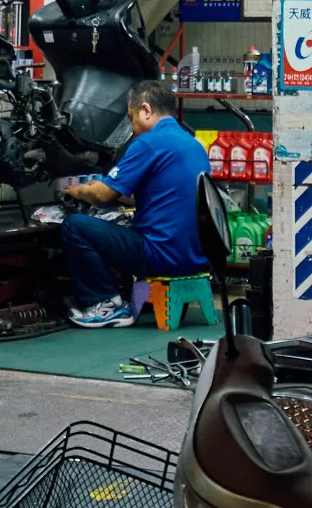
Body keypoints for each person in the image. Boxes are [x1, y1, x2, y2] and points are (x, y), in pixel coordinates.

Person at [60, 80, 211, 328]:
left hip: (160, 255)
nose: (132, 128)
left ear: (146, 110)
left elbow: (102, 196)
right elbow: (161, 193)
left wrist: (77, 190)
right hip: (196, 256)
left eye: (131, 118)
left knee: (74, 226)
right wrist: (118, 193)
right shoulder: (194, 144)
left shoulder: (148, 143)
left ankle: (105, 304)